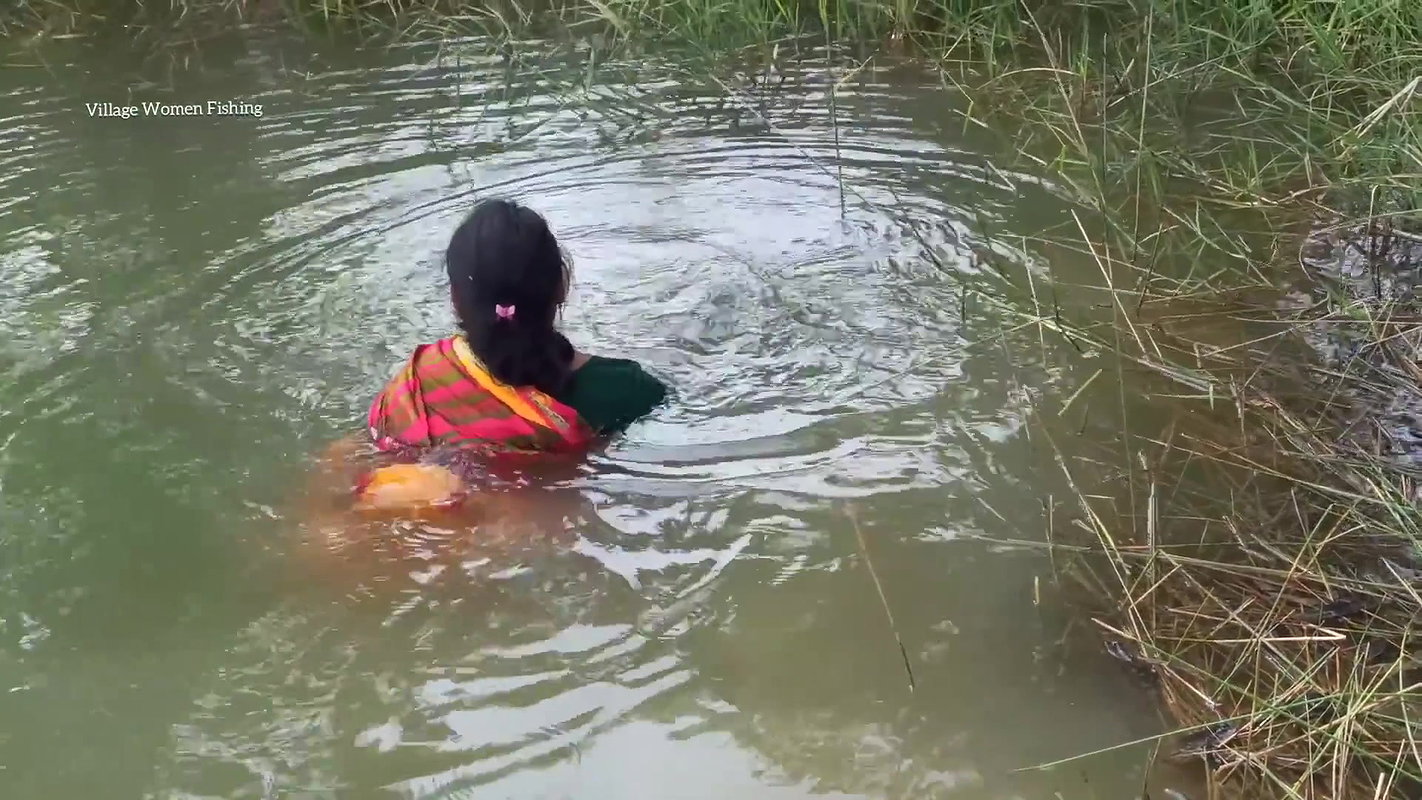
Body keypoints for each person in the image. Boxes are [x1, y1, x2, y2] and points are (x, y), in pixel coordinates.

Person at [348, 198, 667, 515]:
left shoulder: (416, 385)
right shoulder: (627, 390)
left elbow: (357, 452)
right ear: (562, 286)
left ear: (456, 299)